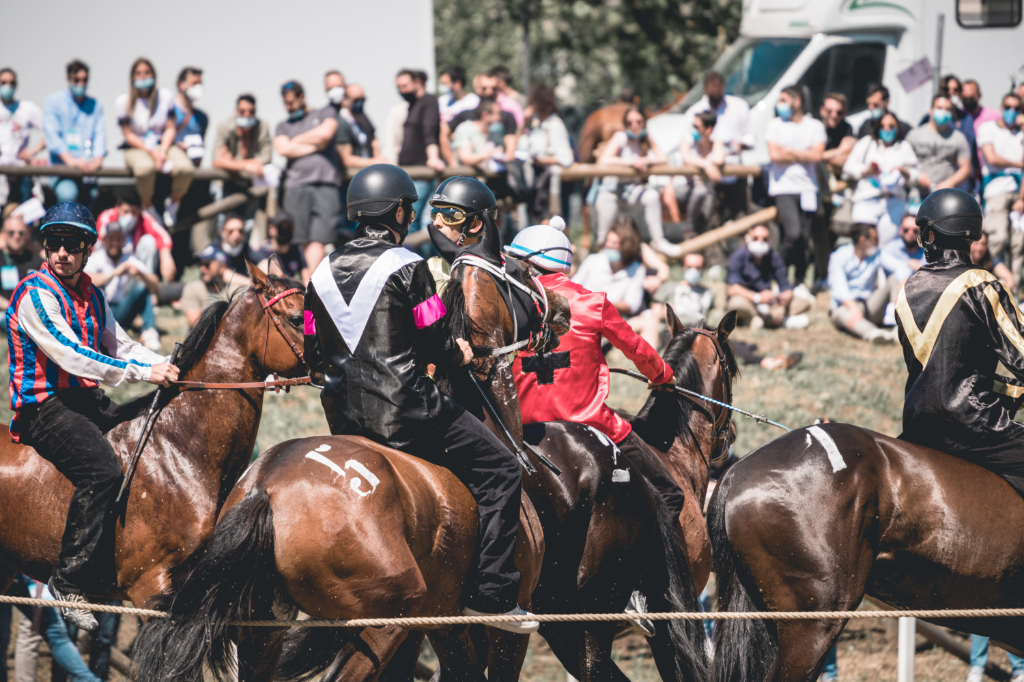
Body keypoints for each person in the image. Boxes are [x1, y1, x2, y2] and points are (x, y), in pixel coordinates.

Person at [303, 164, 539, 633]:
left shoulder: (319, 272)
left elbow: (312, 353)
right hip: (411, 412)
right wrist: (462, 352)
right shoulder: (407, 266)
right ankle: (492, 593)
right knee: (502, 470)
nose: (412, 217)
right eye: (409, 209)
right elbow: (435, 340)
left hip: (345, 420)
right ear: (396, 212)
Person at [5, 201, 178, 631]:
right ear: (46, 248)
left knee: (147, 433)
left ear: (87, 250)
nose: (62, 252)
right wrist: (145, 372)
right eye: (55, 244)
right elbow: (76, 356)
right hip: (43, 409)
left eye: (72, 244)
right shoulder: (34, 293)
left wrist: (173, 367)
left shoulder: (93, 294)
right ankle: (67, 580)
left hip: (85, 403)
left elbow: (121, 346)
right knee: (102, 471)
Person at [505, 214, 683, 631]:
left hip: (523, 431)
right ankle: (641, 589)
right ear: (562, 263)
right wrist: (663, 378)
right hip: (593, 426)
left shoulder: (508, 306)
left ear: (527, 264)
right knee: (669, 494)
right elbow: (638, 349)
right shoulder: (593, 301)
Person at [897, 188, 1024, 501]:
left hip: (917, 426)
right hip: (975, 426)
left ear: (931, 236)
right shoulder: (984, 284)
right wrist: (1013, 393)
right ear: (971, 235)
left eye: (924, 233)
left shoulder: (907, 289)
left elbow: (938, 372)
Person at [116, 58, 193, 223]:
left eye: (147, 73)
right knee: (145, 169)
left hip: (163, 144)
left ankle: (174, 202)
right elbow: (128, 135)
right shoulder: (123, 101)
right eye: (138, 74)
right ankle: (148, 207)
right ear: (132, 77)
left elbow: (170, 127)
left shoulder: (165, 96)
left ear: (154, 75)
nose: (143, 77)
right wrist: (151, 152)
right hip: (137, 147)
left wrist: (163, 150)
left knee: (185, 168)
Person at [273, 80, 340, 270]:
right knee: (300, 239)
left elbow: (326, 134)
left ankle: (310, 283)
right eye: (285, 104)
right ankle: (306, 284)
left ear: (302, 97)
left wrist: (295, 141)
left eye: (292, 103)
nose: (289, 107)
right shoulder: (283, 125)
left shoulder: (325, 113)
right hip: (296, 186)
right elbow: (282, 148)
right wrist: (316, 144)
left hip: (325, 184)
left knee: (319, 238)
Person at [595, 107, 678, 257]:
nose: (634, 125)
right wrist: (632, 162)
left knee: (651, 196)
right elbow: (604, 159)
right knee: (604, 234)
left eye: (638, 121)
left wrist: (647, 160)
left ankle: (658, 241)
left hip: (632, 191)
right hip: (611, 191)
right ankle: (602, 254)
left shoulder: (646, 139)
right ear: (625, 124)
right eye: (630, 122)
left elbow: (664, 158)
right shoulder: (620, 137)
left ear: (644, 123)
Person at [766, 85, 827, 285]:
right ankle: (775, 273)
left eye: (784, 99)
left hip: (808, 188)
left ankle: (798, 282)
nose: (780, 104)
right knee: (793, 234)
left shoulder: (814, 125)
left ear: (797, 101)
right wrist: (803, 153)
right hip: (783, 188)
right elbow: (774, 155)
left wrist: (789, 152)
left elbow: (817, 155)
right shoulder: (775, 125)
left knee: (805, 239)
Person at [682, 70, 753, 222]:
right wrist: (707, 164)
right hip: (707, 177)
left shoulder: (739, 106)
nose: (715, 90)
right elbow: (687, 147)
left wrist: (738, 145)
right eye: (712, 87)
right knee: (711, 220)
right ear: (705, 88)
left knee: (740, 218)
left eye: (718, 86)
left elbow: (749, 137)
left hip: (734, 172)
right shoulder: (695, 112)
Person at [828, 221, 912, 343]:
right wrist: (853, 308)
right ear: (863, 240)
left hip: (869, 305)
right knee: (841, 313)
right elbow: (839, 289)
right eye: (875, 238)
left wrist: (901, 287)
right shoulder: (838, 256)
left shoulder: (876, 255)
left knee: (895, 278)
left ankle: (900, 326)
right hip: (845, 307)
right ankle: (873, 333)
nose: (877, 242)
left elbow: (902, 267)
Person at [84, 221, 162, 351]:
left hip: (123, 309)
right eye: (111, 239)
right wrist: (115, 272)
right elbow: (87, 281)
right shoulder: (96, 259)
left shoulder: (129, 260)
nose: (115, 243)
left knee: (141, 287)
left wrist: (141, 274)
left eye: (118, 239)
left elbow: (156, 286)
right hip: (101, 312)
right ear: (103, 241)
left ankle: (149, 331)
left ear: (124, 241)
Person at [843, 111, 919, 245]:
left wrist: (903, 171)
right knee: (864, 242)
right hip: (867, 200)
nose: (887, 129)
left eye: (891, 126)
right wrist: (867, 171)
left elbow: (915, 175)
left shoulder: (904, 147)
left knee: (886, 244)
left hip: (893, 202)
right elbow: (848, 167)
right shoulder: (867, 143)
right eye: (883, 126)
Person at [43, 60, 106, 205]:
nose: (81, 84)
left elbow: (100, 133)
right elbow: (52, 136)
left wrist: (97, 157)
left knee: (90, 200)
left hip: (87, 172)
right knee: (68, 195)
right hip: (62, 171)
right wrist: (71, 161)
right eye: (76, 80)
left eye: (84, 80)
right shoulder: (54, 101)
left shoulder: (95, 105)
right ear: (68, 78)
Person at [726, 223, 811, 330]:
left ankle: (763, 319)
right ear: (748, 238)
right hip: (749, 301)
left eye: (764, 239)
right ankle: (774, 319)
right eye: (756, 238)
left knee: (804, 301)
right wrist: (757, 297)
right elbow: (732, 288)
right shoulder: (737, 256)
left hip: (770, 303)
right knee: (736, 304)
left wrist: (786, 295)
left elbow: (785, 284)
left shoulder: (774, 256)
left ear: (769, 240)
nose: (760, 242)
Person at [978, 91, 1023, 282]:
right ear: (1001, 108)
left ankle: (1016, 293)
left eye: (1016, 108)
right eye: (1008, 107)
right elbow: (992, 158)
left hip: (1019, 192)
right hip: (996, 191)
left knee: (1018, 245)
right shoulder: (987, 128)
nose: (1011, 112)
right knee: (997, 239)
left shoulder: (1021, 133)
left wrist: (1021, 198)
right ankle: (987, 284)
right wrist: (1019, 164)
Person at [815, 92, 857, 287]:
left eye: (839, 112)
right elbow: (815, 156)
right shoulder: (815, 127)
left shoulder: (847, 127)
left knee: (831, 235)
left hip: (837, 191)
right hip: (815, 190)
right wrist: (838, 152)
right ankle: (818, 276)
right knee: (816, 235)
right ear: (822, 110)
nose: (834, 115)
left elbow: (847, 159)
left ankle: (825, 277)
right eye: (830, 111)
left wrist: (824, 156)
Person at [573, 215, 652, 318]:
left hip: (613, 319)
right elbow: (573, 286)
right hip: (583, 312)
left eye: (614, 243)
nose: (608, 245)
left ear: (626, 246)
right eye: (608, 241)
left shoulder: (637, 270)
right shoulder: (593, 260)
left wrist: (602, 301)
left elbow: (632, 305)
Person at [396, 69, 445, 230]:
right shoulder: (412, 105)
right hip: (409, 172)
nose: (401, 90)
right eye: (399, 87)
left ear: (417, 83)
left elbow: (429, 131)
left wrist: (433, 157)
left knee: (415, 220)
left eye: (405, 86)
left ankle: (417, 255)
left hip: (422, 172)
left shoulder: (429, 101)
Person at [517, 84, 574, 219]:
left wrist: (542, 160)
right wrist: (524, 122)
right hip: (536, 186)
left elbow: (566, 158)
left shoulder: (555, 125)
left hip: (550, 187)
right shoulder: (537, 125)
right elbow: (519, 147)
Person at [95, 189, 176, 281]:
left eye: (133, 212)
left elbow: (162, 235)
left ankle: (145, 286)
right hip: (108, 270)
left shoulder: (142, 218)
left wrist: (166, 257)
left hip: (132, 269)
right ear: (117, 207)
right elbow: (98, 244)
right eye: (125, 212)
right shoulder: (107, 217)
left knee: (149, 241)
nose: (129, 216)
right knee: (99, 245)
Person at [906, 94, 973, 200]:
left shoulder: (958, 138)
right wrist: (916, 176)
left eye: (947, 109)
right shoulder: (914, 135)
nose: (943, 112)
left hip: (945, 195)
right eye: (939, 108)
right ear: (931, 110)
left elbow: (966, 168)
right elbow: (903, 162)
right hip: (917, 195)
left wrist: (950, 182)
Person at [667, 110, 723, 234]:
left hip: (705, 194)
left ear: (708, 129)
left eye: (696, 127)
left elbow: (719, 159)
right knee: (702, 191)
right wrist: (706, 164)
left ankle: (699, 231)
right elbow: (686, 157)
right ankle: (690, 228)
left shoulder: (715, 143)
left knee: (708, 194)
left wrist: (717, 141)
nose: (693, 129)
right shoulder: (689, 141)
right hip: (683, 189)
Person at [0, 68, 45, 207]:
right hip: (1, 172)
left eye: (12, 83)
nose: (8, 86)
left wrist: (33, 150)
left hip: (21, 171)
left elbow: (52, 131)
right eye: (4, 82)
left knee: (25, 214)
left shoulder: (26, 108)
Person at [180, 242, 249, 327]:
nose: (202, 269)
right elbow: (197, 326)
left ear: (222, 267)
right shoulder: (193, 288)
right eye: (201, 264)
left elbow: (238, 323)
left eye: (207, 265)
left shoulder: (235, 291)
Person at [213, 94, 272, 178]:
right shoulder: (225, 126)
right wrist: (249, 166)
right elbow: (217, 161)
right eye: (242, 111)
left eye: (251, 111)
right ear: (236, 110)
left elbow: (266, 158)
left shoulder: (262, 127)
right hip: (226, 181)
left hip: (251, 181)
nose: (247, 115)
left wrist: (231, 162)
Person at [0, 213, 42, 329]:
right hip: (5, 312)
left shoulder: (36, 259)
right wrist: (13, 307)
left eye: (21, 233)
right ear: (3, 234)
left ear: (27, 235)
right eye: (11, 232)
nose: (16, 236)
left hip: (33, 312)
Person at [335, 84, 384, 174]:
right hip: (351, 178)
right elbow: (347, 160)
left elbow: (373, 138)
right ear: (344, 101)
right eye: (356, 100)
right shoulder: (341, 123)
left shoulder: (362, 118)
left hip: (366, 172)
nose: (360, 103)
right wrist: (375, 162)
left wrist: (378, 156)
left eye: (362, 100)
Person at [452, 99, 508, 170]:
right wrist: (489, 154)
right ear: (485, 115)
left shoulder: (496, 130)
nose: (500, 117)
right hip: (467, 178)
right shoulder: (465, 128)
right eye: (497, 113)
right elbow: (465, 158)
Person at [253, 212, 309, 282]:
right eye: (281, 227)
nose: (285, 231)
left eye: (288, 227)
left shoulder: (297, 252)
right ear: (271, 229)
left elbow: (306, 278)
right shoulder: (263, 251)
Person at [668, 252, 715, 327]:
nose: (693, 271)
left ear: (704, 268)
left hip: (699, 330)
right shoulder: (669, 287)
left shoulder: (710, 293)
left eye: (698, 268)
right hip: (676, 328)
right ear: (682, 267)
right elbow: (656, 312)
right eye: (689, 267)